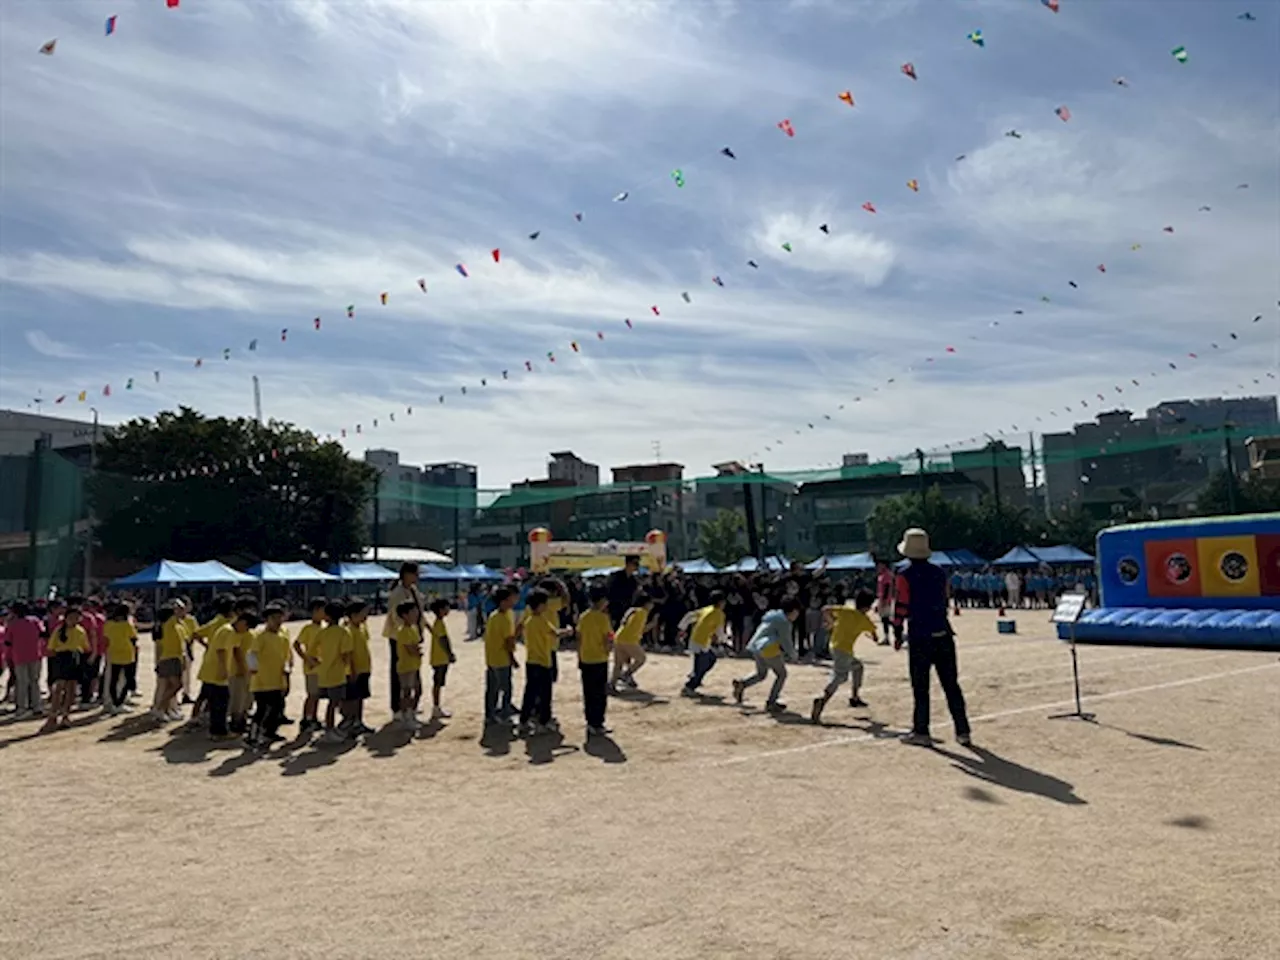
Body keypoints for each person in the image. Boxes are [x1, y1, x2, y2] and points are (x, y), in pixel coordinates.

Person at [893, 528, 972, 747]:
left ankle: (922, 730)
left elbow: (901, 605)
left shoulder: (903, 574)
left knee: (921, 687)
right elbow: (945, 599)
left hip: (920, 634)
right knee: (951, 684)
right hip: (943, 632)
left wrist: (897, 632)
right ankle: (962, 730)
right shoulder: (939, 572)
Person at [812, 590, 878, 723]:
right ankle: (822, 699)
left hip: (834, 646)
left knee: (857, 667)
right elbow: (874, 634)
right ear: (868, 607)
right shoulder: (864, 619)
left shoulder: (845, 611)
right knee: (840, 677)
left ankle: (854, 698)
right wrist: (873, 637)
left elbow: (825, 609)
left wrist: (831, 623)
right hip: (844, 650)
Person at [732, 598, 801, 712]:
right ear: (792, 611)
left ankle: (742, 684)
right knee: (781, 674)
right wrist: (794, 655)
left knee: (761, 674)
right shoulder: (784, 622)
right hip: (769, 648)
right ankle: (771, 702)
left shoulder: (772, 616)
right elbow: (786, 641)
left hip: (756, 646)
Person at [518, 589, 569, 736]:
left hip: (531, 661)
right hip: (543, 662)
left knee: (530, 693)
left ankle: (524, 721)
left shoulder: (529, 621)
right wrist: (568, 631)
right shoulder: (542, 621)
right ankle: (543, 722)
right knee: (545, 694)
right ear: (540, 605)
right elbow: (555, 633)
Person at [246, 603, 292, 750]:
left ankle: (269, 732)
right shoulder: (260, 637)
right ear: (266, 620)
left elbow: (286, 657)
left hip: (276, 680)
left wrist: (287, 672)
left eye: (280, 617)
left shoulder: (282, 637)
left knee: (277, 707)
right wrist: (253, 668)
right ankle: (252, 736)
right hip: (261, 681)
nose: (278, 621)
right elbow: (251, 654)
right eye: (274, 618)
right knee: (261, 709)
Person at [383, 562, 424, 714]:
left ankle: (409, 705)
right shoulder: (397, 592)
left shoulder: (413, 590)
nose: (417, 577)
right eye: (415, 573)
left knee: (412, 670)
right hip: (399, 637)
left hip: (412, 634)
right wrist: (406, 634)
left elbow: (419, 612)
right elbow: (396, 616)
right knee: (398, 672)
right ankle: (397, 707)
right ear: (407, 574)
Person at [43, 605, 88, 731]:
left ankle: (66, 715)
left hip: (74, 658)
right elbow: (51, 649)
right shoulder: (59, 630)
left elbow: (85, 647)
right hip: (62, 658)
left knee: (71, 689)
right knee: (59, 688)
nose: (74, 620)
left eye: (76, 617)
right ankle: (53, 715)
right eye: (71, 617)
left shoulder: (80, 631)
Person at [576, 585, 613, 736]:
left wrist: (579, 655)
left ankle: (590, 722)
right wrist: (609, 649)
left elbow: (579, 638)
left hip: (586, 658)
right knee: (600, 693)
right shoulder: (603, 618)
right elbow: (607, 638)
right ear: (602, 600)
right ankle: (598, 722)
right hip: (599, 659)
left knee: (589, 692)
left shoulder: (583, 616)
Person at [315, 601, 355, 744]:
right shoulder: (344, 632)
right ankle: (329, 730)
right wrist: (348, 669)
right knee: (334, 703)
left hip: (324, 672)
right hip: (337, 674)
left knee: (332, 703)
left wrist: (317, 663)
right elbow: (346, 655)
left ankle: (331, 728)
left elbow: (312, 651)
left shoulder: (322, 633)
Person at [482, 586, 519, 726]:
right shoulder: (503, 618)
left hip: (491, 658)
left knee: (492, 689)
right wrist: (512, 659)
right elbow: (508, 642)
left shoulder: (495, 615)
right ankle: (504, 714)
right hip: (501, 658)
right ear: (503, 601)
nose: (514, 601)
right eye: (511, 598)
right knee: (506, 689)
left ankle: (490, 714)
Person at [681, 590, 727, 697]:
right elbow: (719, 630)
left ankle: (696, 678)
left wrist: (682, 627)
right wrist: (724, 640)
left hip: (696, 639)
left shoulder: (707, 609)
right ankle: (690, 685)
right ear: (721, 602)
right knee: (704, 663)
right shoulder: (719, 614)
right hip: (702, 642)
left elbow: (690, 615)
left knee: (709, 660)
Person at [5, 601, 45, 718]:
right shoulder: (35, 621)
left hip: (19, 656)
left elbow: (8, 642)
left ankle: (22, 708)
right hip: (35, 654)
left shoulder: (12, 624)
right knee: (35, 681)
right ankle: (36, 706)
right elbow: (43, 633)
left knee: (22, 682)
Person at [292, 598, 327, 733]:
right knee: (312, 694)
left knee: (318, 694)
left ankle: (314, 717)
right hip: (311, 667)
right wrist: (307, 659)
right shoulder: (308, 628)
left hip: (322, 667)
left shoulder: (324, 627)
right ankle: (306, 719)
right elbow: (296, 644)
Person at [610, 592, 652, 693]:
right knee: (641, 658)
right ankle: (626, 674)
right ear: (646, 604)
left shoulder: (632, 610)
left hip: (619, 637)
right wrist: (652, 624)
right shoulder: (643, 612)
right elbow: (639, 629)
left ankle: (612, 685)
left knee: (618, 664)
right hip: (629, 640)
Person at [343, 597, 374, 737]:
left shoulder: (361, 628)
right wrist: (353, 670)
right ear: (354, 615)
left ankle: (358, 722)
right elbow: (349, 653)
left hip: (364, 668)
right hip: (354, 671)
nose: (366, 616)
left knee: (360, 697)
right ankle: (349, 722)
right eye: (363, 613)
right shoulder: (348, 631)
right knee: (352, 698)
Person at [152, 603, 186, 722]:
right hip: (171, 659)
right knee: (177, 685)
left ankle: (165, 709)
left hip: (171, 658)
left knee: (170, 686)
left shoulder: (169, 626)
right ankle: (160, 708)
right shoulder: (169, 624)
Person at [393, 601, 424, 730]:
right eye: (413, 612)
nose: (416, 615)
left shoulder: (413, 629)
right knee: (406, 692)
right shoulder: (403, 631)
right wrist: (417, 651)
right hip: (406, 666)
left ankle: (410, 714)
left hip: (414, 665)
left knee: (415, 690)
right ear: (405, 615)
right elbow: (411, 649)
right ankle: (406, 716)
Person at [102, 602, 137, 715]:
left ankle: (112, 702)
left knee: (112, 679)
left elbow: (106, 638)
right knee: (126, 680)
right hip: (127, 653)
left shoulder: (109, 624)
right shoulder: (127, 625)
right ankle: (119, 702)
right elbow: (133, 638)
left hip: (113, 653)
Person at [427, 597, 455, 721]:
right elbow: (444, 641)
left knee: (438, 682)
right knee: (438, 682)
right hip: (441, 658)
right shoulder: (439, 624)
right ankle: (436, 707)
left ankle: (437, 706)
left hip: (438, 657)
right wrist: (450, 654)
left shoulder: (438, 623)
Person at [606, 555, 641, 627]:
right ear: (627, 563)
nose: (637, 566)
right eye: (635, 563)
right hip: (615, 611)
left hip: (628, 612)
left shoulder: (634, 580)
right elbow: (609, 594)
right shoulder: (616, 577)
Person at [875, 562, 895, 645]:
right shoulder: (882, 575)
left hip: (885, 600)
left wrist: (884, 601)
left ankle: (887, 638)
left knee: (885, 619)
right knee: (885, 619)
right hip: (882, 599)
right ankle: (893, 630)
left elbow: (887, 588)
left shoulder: (886, 575)